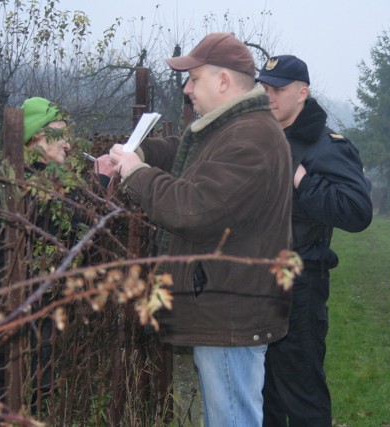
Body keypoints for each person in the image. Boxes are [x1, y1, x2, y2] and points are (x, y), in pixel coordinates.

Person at [101, 32, 293, 427]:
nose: (187, 89)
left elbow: (192, 206)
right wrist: (141, 153)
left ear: (224, 81)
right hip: (227, 305)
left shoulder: (251, 138)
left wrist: (136, 174)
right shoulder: (233, 129)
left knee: (233, 420)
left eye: (195, 79)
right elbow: (184, 152)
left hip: (231, 313)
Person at [256, 55, 373, 426]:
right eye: (265, 87)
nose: (269, 95)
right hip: (257, 285)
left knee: (302, 396)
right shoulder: (264, 136)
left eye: (279, 89)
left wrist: (304, 182)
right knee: (263, 396)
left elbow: (358, 211)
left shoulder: (325, 145)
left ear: (302, 93)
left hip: (300, 290)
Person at [0, 97, 76, 404]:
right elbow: (62, 222)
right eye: (59, 134)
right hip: (2, 308)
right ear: (36, 137)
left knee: (32, 386)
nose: (67, 144)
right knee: (1, 388)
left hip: (24, 308)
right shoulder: (17, 183)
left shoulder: (33, 177)